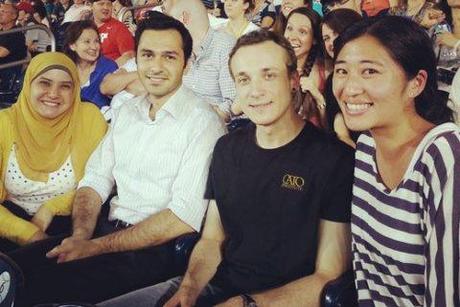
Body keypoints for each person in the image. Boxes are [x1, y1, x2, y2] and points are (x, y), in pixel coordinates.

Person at [99, 29, 354, 307]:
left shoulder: (333, 159)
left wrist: (249, 304)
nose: (255, 91)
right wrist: (189, 287)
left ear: (293, 80)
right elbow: (212, 240)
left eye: (268, 75)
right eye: (244, 79)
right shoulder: (227, 149)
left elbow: (327, 276)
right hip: (216, 285)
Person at [11, 13, 225, 306]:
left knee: (32, 292)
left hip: (153, 254)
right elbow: (95, 179)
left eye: (170, 57)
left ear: (186, 65)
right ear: (136, 60)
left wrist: (96, 247)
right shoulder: (127, 112)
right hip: (102, 232)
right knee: (12, 269)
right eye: (148, 55)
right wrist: (81, 236)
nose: (157, 67)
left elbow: (181, 218)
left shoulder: (202, 123)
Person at [332, 16, 459, 306]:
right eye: (342, 71)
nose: (349, 88)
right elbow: (365, 273)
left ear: (416, 83)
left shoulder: (443, 156)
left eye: (370, 71)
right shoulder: (366, 147)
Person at [0, 52, 107, 252]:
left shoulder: (90, 119)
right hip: (9, 221)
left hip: (75, 222)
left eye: (65, 86)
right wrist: (30, 234)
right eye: (44, 83)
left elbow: (99, 181)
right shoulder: (4, 123)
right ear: (28, 84)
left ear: (75, 90)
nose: (53, 94)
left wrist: (51, 208)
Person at [321, 8, 361, 147]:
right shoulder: (332, 81)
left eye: (336, 33)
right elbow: (341, 133)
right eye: (326, 38)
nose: (332, 43)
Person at [63, 20, 118, 113]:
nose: (94, 47)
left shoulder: (109, 67)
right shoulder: (65, 69)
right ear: (72, 45)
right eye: (87, 42)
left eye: (96, 41)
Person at [284, 7, 326, 127]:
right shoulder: (273, 66)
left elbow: (329, 127)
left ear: (314, 39)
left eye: (302, 32)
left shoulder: (325, 71)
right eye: (290, 28)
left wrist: (317, 95)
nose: (292, 36)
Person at [91, 0, 135, 66]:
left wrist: (106, 70)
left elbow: (129, 56)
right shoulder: (85, 28)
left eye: (109, 4)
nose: (106, 7)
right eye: (101, 4)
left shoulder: (119, 28)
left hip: (111, 73)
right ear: (92, 6)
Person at [0, 3, 27, 90]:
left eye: (3, 11)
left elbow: (1, 53)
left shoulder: (16, 33)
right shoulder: (2, 31)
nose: (0, 13)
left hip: (7, 74)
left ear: (13, 16)